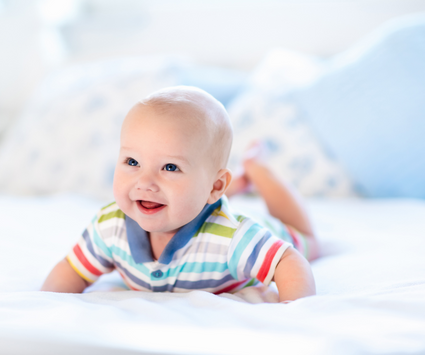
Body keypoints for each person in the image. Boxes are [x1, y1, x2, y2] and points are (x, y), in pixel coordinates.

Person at [41, 86, 319, 302]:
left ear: (215, 186)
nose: (145, 182)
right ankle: (231, 186)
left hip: (267, 229)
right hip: (198, 197)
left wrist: (292, 312)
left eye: (170, 167)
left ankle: (257, 169)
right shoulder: (108, 227)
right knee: (187, 198)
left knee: (310, 242)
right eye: (132, 162)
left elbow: (288, 260)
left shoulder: (233, 237)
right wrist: (45, 305)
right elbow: (73, 269)